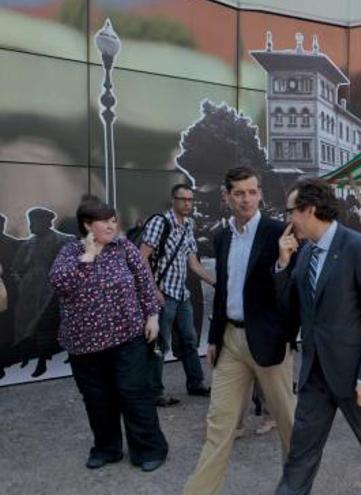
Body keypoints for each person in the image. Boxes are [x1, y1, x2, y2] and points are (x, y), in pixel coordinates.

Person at [274, 177, 361, 495]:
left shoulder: (357, 247)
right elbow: (290, 308)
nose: (289, 219)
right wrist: (283, 264)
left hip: (354, 374)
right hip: (315, 373)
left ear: (309, 209)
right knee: (301, 452)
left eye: (291, 211)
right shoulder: (305, 253)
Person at [184, 167, 295, 495]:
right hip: (231, 340)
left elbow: (291, 294)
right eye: (239, 193)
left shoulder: (279, 232)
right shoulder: (222, 236)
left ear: (260, 193)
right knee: (219, 425)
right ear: (227, 196)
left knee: (288, 424)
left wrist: (284, 264)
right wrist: (215, 337)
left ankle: (297, 487)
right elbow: (223, 291)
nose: (246, 199)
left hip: (269, 341)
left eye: (251, 192)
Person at [49, 200, 167, 472]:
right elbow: (60, 284)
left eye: (114, 220)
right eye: (105, 221)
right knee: (97, 398)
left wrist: (152, 316)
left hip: (128, 337)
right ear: (88, 225)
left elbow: (144, 282)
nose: (112, 225)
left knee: (133, 392)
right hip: (84, 343)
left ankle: (149, 449)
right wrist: (88, 257)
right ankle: (106, 448)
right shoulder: (70, 252)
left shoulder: (124, 248)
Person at [139, 183, 215, 406]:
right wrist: (154, 291)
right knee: (159, 344)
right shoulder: (160, 223)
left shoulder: (188, 225)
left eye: (190, 200)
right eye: (183, 199)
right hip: (162, 294)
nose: (187, 204)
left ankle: (196, 383)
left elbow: (194, 264)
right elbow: (141, 259)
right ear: (173, 200)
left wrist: (216, 283)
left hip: (181, 295)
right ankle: (155, 392)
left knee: (190, 340)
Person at [11, 207, 73, 377]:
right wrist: (21, 281)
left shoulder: (63, 240)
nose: (32, 226)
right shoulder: (28, 243)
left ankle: (44, 361)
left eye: (35, 222)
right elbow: (16, 268)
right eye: (31, 222)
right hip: (31, 290)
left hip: (53, 288)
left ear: (47, 222)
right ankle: (28, 357)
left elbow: (70, 264)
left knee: (49, 323)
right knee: (26, 322)